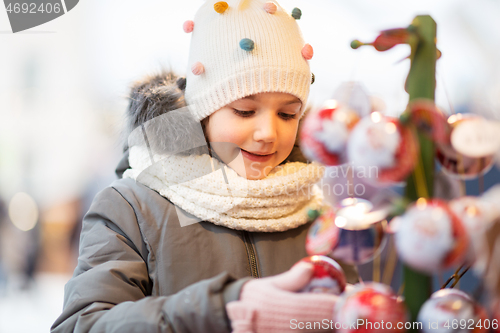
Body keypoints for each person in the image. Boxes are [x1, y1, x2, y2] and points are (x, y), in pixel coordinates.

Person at [51, 1, 358, 332]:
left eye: (287, 114)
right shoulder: (132, 208)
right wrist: (223, 308)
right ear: (202, 110)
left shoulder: (315, 208)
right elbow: (83, 324)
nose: (269, 133)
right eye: (244, 110)